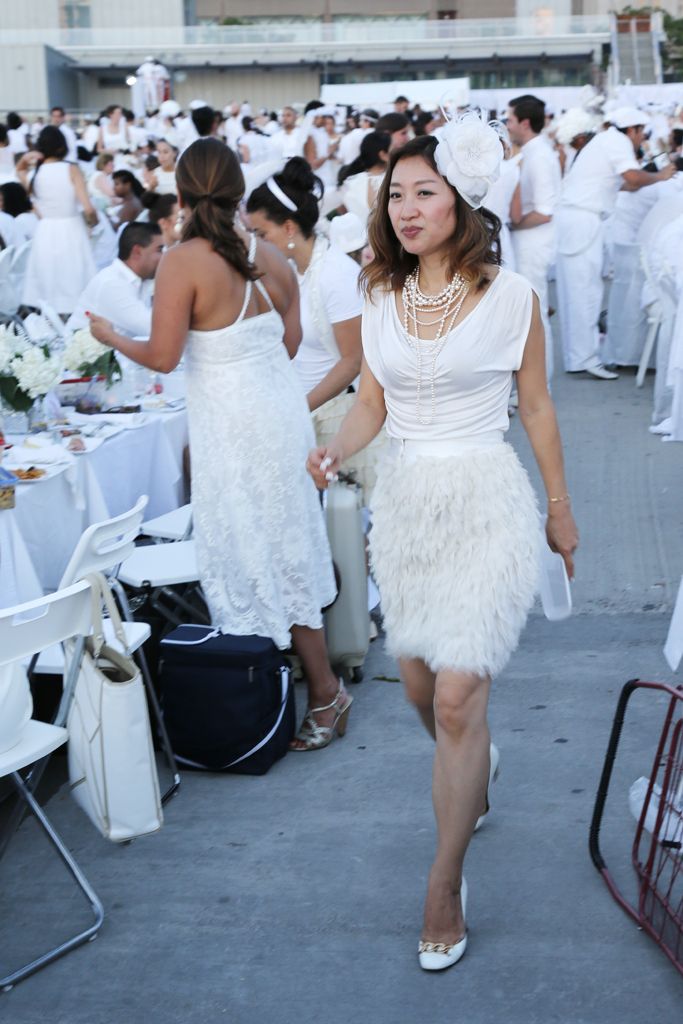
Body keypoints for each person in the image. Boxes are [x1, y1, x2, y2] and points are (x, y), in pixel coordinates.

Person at [306, 122, 578, 971]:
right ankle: (475, 766)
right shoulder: (379, 293)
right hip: (409, 508)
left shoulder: (511, 297)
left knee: (458, 699)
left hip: (487, 501)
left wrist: (559, 510)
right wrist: (334, 449)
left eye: (426, 191)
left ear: (462, 203)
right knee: (423, 690)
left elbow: (534, 407)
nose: (409, 207)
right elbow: (370, 403)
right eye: (396, 194)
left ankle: (444, 883)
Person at [87, 138, 350, 753]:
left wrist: (109, 334)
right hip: (279, 417)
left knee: (255, 546)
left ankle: (318, 690)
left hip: (233, 428)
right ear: (237, 192)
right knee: (282, 546)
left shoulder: (183, 260)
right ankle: (299, 691)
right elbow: (285, 347)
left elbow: (163, 355)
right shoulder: (273, 259)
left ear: (181, 194)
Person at [247, 158, 382, 503]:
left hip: (339, 418)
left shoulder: (335, 274)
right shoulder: (295, 269)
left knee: (348, 528)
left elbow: (353, 361)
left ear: (290, 228)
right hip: (306, 411)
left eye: (261, 234)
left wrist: (299, 406)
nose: (256, 244)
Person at [555, 106, 676, 379]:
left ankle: (579, 358)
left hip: (578, 220)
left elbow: (628, 184)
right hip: (583, 221)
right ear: (631, 129)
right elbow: (632, 178)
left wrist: (652, 176)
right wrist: (660, 176)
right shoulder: (617, 141)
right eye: (641, 132)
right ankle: (585, 359)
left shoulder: (605, 140)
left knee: (579, 292)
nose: (641, 137)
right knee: (584, 293)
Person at [506, 94, 561, 380]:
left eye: (510, 120)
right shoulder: (530, 152)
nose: (507, 125)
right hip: (527, 243)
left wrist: (512, 225)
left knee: (535, 318)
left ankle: (543, 386)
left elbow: (544, 211)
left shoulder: (540, 155)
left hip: (534, 244)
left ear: (524, 123)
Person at [17, 126, 97, 315]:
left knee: (48, 282)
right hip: (71, 227)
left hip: (45, 229)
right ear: (62, 146)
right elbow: (88, 208)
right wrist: (93, 222)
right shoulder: (71, 168)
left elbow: (19, 170)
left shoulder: (35, 173)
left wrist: (27, 157)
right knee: (75, 281)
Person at [67, 221, 163, 336]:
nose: (164, 256)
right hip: (86, 353)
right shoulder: (112, 283)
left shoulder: (142, 279)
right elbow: (155, 329)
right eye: (159, 250)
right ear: (137, 252)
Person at [337, 130, 390, 228]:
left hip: (359, 239)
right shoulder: (387, 180)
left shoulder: (350, 182)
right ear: (383, 155)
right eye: (394, 148)